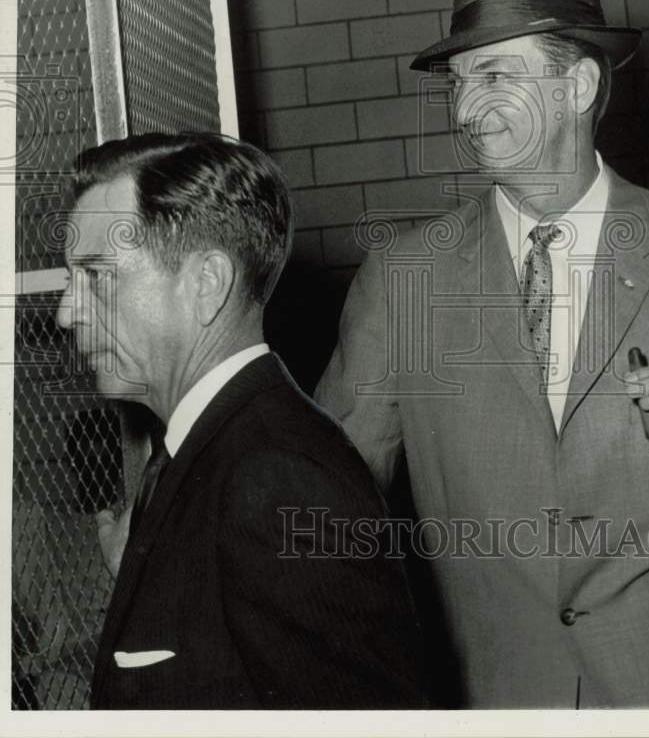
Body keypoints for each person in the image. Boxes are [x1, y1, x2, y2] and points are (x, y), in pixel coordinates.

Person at [315, 0, 649, 708]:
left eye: (494, 75)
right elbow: (330, 492)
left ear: (578, 84)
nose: (464, 110)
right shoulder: (403, 281)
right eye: (459, 82)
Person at [56, 132, 425, 710]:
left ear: (206, 284)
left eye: (97, 276)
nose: (67, 311)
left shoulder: (275, 477)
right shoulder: (204, 450)